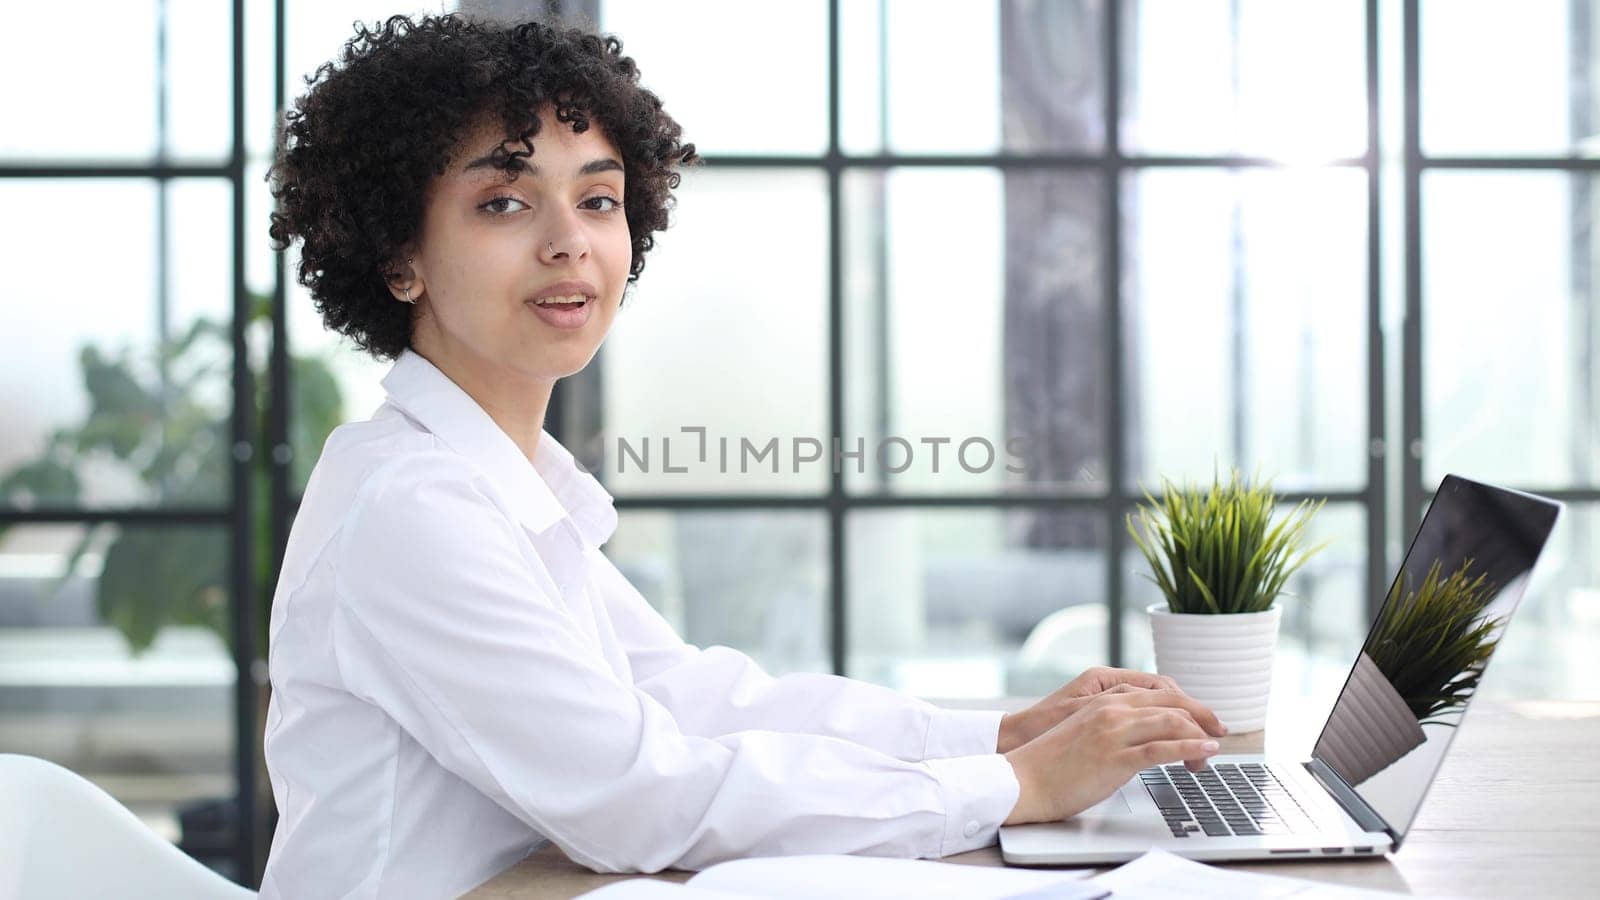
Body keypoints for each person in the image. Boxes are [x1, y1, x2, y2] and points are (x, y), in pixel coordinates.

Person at [260, 13, 1226, 899]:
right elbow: (634, 796)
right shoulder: (412, 505)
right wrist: (1007, 786)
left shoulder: (497, 480)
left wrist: (1001, 736)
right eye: (505, 204)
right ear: (400, 257)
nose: (570, 243)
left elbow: (695, 700)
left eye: (598, 199)